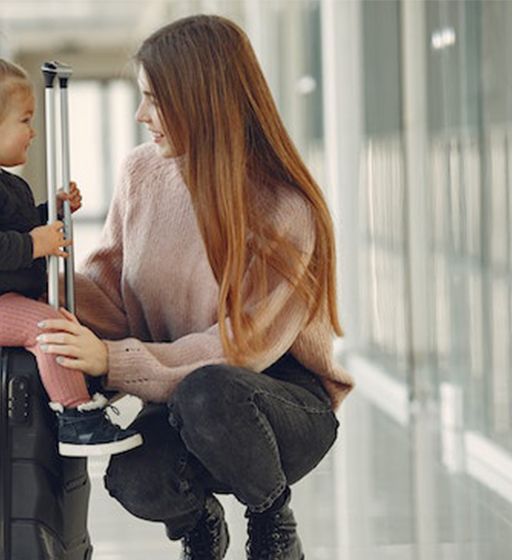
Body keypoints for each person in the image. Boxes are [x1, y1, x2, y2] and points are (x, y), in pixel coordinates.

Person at [35, 14, 355, 560]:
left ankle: (273, 523)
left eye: (154, 99)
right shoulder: (141, 174)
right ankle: (200, 527)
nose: (141, 116)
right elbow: (110, 296)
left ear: (200, 98)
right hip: (180, 390)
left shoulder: (285, 208)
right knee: (133, 477)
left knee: (209, 391)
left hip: (274, 401)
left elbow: (239, 348)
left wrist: (112, 361)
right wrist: (43, 261)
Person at [0, 10, 142, 458]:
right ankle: (76, 416)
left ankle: (85, 382)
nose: (33, 132)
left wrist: (49, 213)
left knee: (64, 315)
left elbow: (10, 228)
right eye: (25, 121)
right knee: (48, 326)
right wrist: (38, 242)